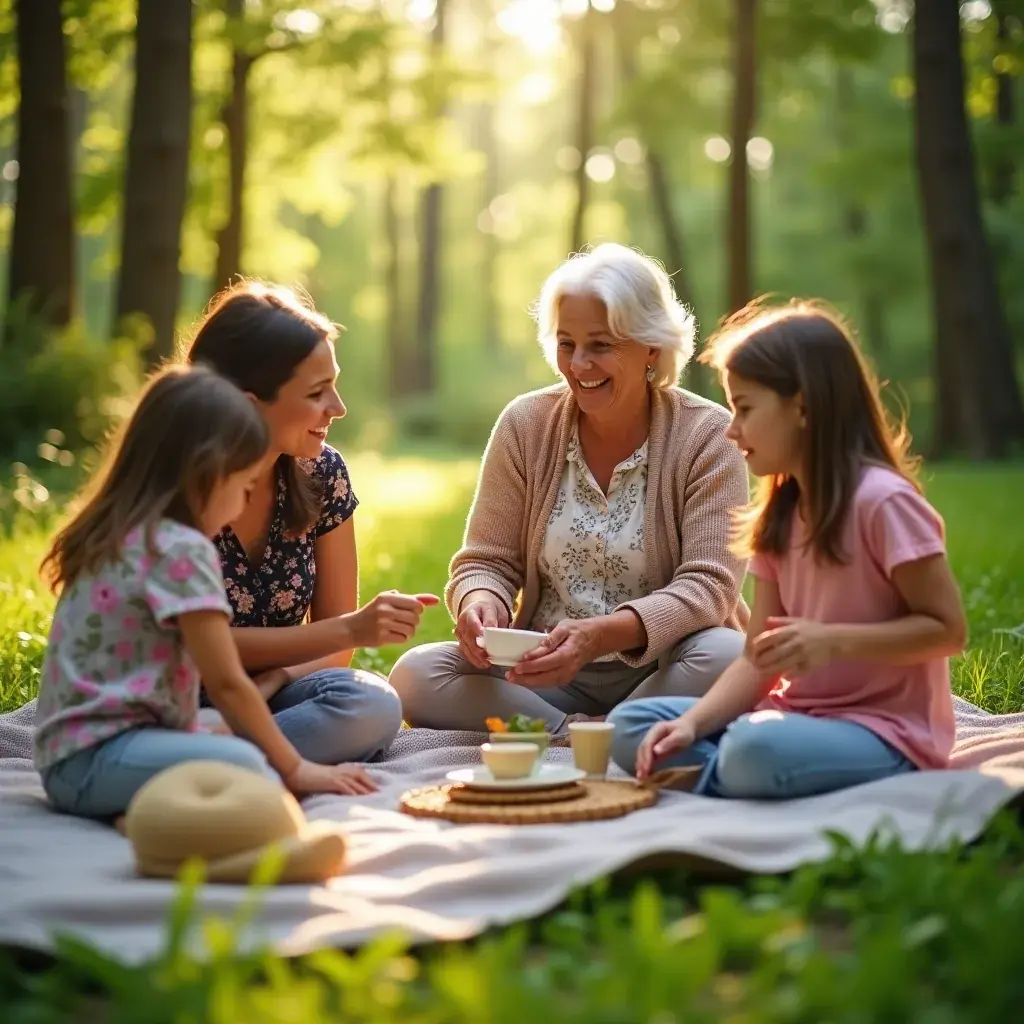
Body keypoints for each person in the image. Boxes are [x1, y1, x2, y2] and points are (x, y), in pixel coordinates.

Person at [608, 300, 968, 799]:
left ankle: (732, 769)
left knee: (755, 750)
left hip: (885, 733)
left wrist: (833, 640)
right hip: (791, 719)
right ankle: (734, 768)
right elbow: (758, 659)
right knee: (632, 726)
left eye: (745, 408)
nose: (732, 429)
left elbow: (948, 630)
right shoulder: (779, 515)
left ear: (802, 406)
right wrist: (692, 725)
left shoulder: (885, 503)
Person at [390, 243, 750, 734]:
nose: (579, 364)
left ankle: (581, 730)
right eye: (566, 343)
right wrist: (480, 603)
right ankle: (589, 732)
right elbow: (485, 561)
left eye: (601, 345)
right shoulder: (525, 425)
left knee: (729, 654)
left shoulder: (707, 434)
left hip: (666, 668)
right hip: (543, 671)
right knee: (415, 676)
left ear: (651, 346)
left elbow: (710, 587)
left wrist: (602, 635)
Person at [35, 366, 380, 820]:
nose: (243, 502)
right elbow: (226, 682)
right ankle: (246, 843)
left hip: (79, 752)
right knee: (250, 765)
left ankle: (145, 813)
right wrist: (296, 769)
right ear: (207, 474)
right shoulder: (180, 551)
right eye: (243, 486)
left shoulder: (120, 533)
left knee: (230, 744)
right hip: (95, 760)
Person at [184, 280, 436, 764]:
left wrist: (278, 677)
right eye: (318, 392)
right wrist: (351, 630)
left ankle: (214, 754)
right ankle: (220, 754)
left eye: (335, 385)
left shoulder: (322, 474)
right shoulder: (176, 486)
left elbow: (335, 642)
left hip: (278, 692)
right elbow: (191, 645)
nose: (339, 408)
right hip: (173, 692)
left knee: (374, 703)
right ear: (248, 402)